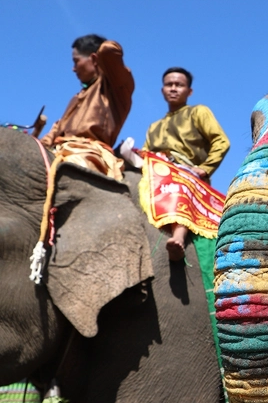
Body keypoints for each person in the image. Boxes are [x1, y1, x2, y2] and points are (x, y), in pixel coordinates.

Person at [143, 67, 230, 261]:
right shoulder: (153, 127)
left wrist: (205, 168)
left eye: (179, 85)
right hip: (156, 173)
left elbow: (221, 141)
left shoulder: (198, 112)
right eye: (169, 84)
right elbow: (145, 153)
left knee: (178, 183)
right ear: (162, 90)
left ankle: (178, 238)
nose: (173, 88)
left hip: (186, 174)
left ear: (189, 91)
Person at [40, 34, 134, 148]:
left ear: (94, 59)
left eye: (76, 61)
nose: (73, 68)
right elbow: (55, 130)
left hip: (89, 154)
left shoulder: (114, 85)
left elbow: (108, 50)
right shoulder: (76, 98)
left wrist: (99, 56)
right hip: (59, 151)